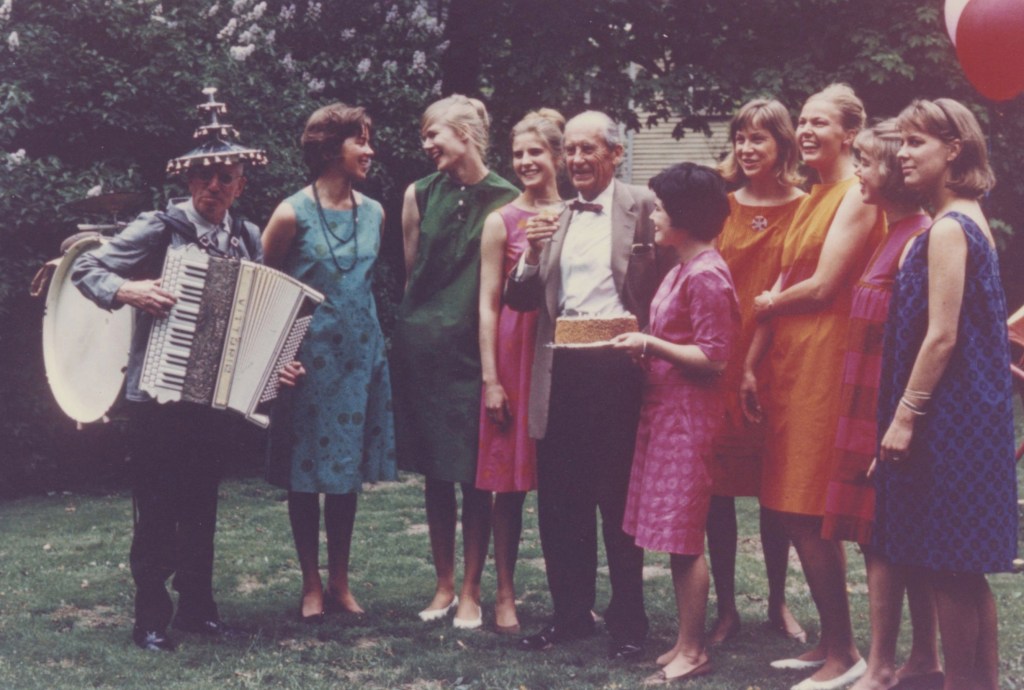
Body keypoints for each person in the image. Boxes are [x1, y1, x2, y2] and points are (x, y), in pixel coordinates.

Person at [71, 88, 291, 651]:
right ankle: (149, 617)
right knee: (157, 504)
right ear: (189, 181)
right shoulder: (160, 227)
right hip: (158, 394)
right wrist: (129, 289)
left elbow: (254, 315)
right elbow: (86, 267)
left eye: (225, 177)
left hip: (213, 398)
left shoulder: (246, 236)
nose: (213, 186)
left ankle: (197, 608)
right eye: (203, 176)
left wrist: (275, 365)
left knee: (201, 503)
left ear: (241, 184)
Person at [506, 110, 674, 659]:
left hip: (622, 370)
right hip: (561, 371)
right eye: (570, 150)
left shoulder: (644, 205)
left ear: (616, 154)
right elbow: (520, 298)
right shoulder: (554, 217)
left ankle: (629, 623)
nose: (576, 160)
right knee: (561, 501)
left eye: (588, 149)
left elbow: (674, 277)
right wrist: (531, 253)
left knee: (618, 501)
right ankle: (571, 616)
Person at [872, 98, 1016, 690]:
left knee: (949, 567)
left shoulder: (950, 229)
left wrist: (904, 417)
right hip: (968, 411)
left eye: (916, 143)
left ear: (953, 150)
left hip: (950, 416)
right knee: (963, 570)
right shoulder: (966, 218)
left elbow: (941, 336)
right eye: (902, 142)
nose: (902, 154)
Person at [745, 83, 884, 690]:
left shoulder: (856, 194)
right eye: (801, 120)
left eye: (819, 122)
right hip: (792, 362)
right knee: (790, 503)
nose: (804, 131)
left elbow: (825, 285)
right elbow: (783, 279)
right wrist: (751, 362)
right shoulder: (812, 196)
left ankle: (845, 652)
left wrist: (768, 303)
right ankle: (830, 640)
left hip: (829, 362)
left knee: (805, 509)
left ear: (851, 134)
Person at [262, 103, 397, 623]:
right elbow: (264, 290)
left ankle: (340, 581)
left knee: (345, 474)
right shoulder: (290, 213)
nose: (370, 150)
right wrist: (277, 358)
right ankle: (311, 584)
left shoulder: (376, 212)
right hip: (307, 361)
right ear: (330, 148)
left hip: (360, 359)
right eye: (360, 140)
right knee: (305, 474)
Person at [818, 119, 940, 690]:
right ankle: (921, 660)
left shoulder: (918, 238)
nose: (858, 172)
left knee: (883, 537)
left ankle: (884, 664)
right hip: (865, 400)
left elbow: (922, 340)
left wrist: (900, 422)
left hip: (886, 409)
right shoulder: (892, 232)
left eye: (866, 162)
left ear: (892, 171)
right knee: (884, 536)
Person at [391, 95, 519, 628]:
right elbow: (413, 273)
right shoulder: (418, 194)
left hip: (477, 354)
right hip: (424, 351)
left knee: (475, 475)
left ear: (464, 133)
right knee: (436, 473)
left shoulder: (509, 198)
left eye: (433, 134)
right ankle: (443, 585)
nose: (426, 145)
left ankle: (472, 589)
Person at [610, 162, 739, 684]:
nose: (654, 216)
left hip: (689, 420)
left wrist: (650, 343)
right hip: (665, 413)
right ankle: (685, 641)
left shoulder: (706, 274)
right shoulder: (682, 267)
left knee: (685, 539)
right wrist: (647, 348)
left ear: (686, 214)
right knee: (673, 534)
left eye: (662, 208)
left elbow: (715, 357)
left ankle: (694, 650)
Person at [708, 98, 806, 645]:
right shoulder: (719, 206)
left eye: (758, 138)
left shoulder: (805, 207)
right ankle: (726, 608)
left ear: (782, 144)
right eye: (741, 137)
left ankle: (777, 602)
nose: (747, 148)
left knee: (776, 489)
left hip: (779, 362)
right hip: (723, 361)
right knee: (718, 492)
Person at [476, 108, 564, 634]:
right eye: (518, 154)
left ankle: (568, 595)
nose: (526, 161)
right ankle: (504, 592)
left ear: (557, 155)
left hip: (561, 355)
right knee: (507, 487)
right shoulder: (501, 220)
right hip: (513, 356)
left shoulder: (578, 213)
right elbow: (488, 304)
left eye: (536, 152)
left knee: (564, 486)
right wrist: (491, 380)